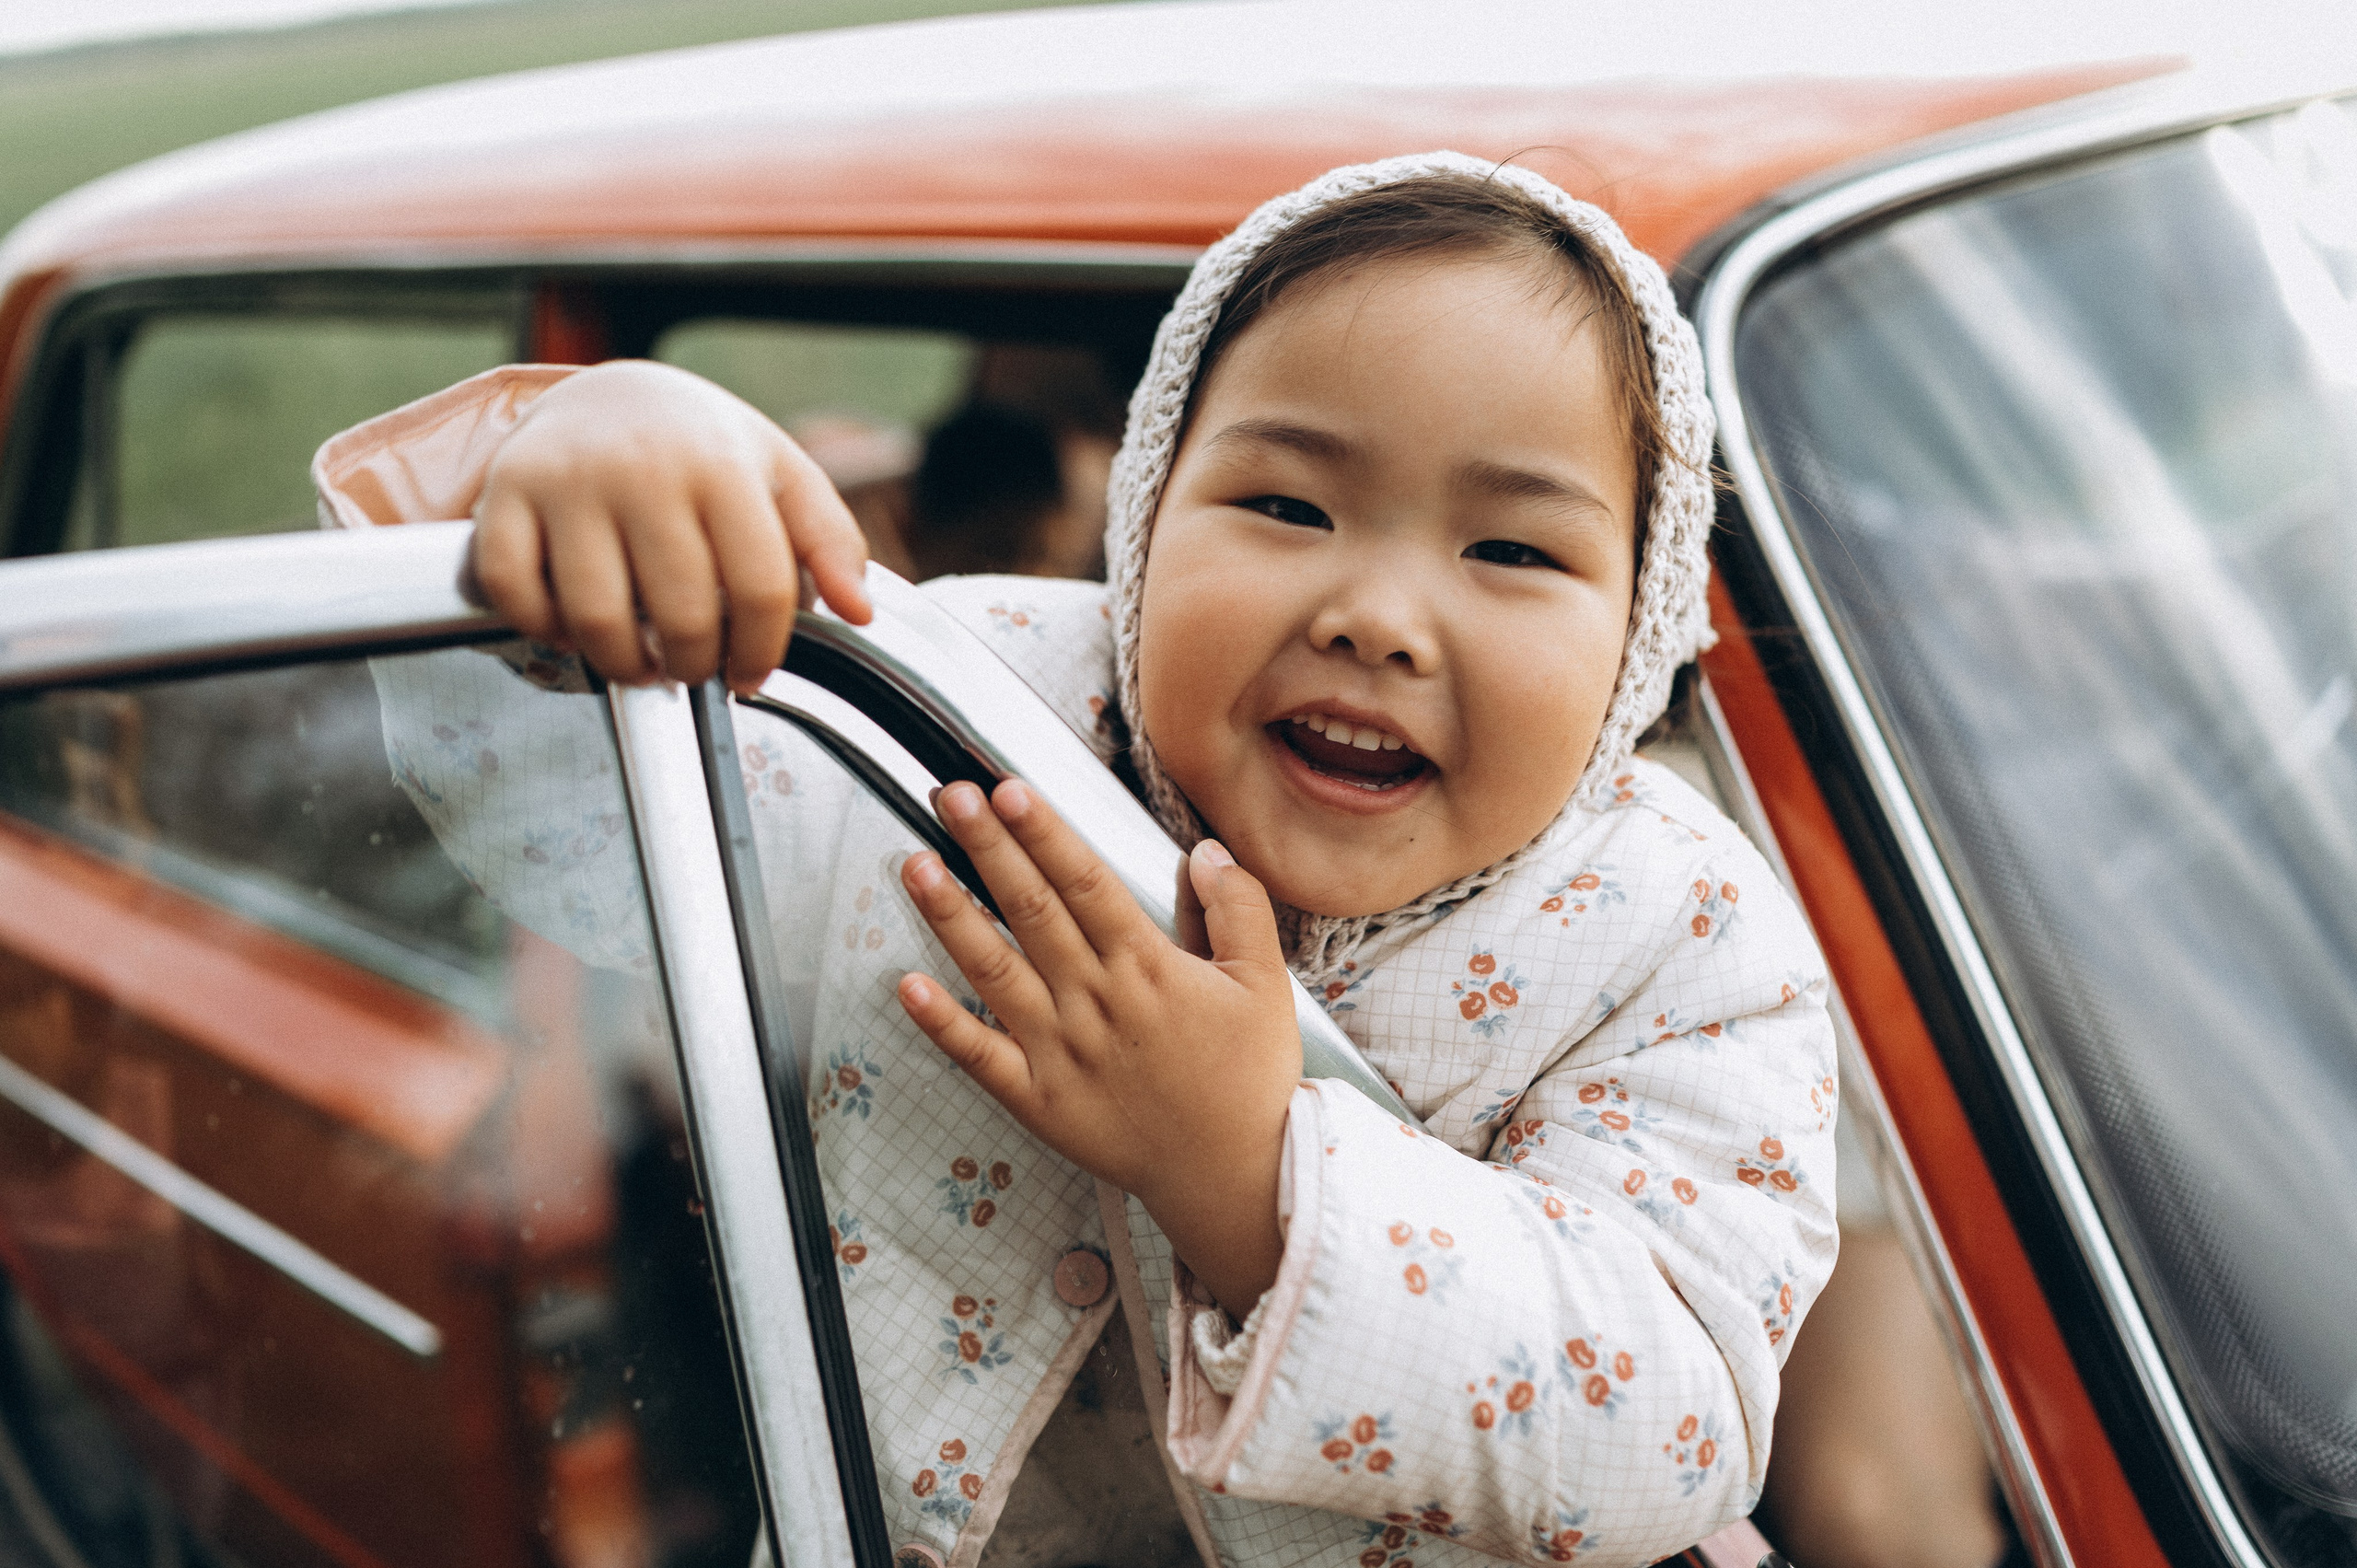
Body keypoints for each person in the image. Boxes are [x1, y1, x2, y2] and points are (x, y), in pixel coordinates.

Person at [314, 153, 1837, 1568]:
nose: (1376, 614)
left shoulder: (1685, 938)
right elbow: (565, 812)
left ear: (1642, 625)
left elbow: (1670, 1423)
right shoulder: (954, 716)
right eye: (1287, 505)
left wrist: (1250, 1175)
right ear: (1148, 508)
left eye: (1510, 550)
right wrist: (575, 442)